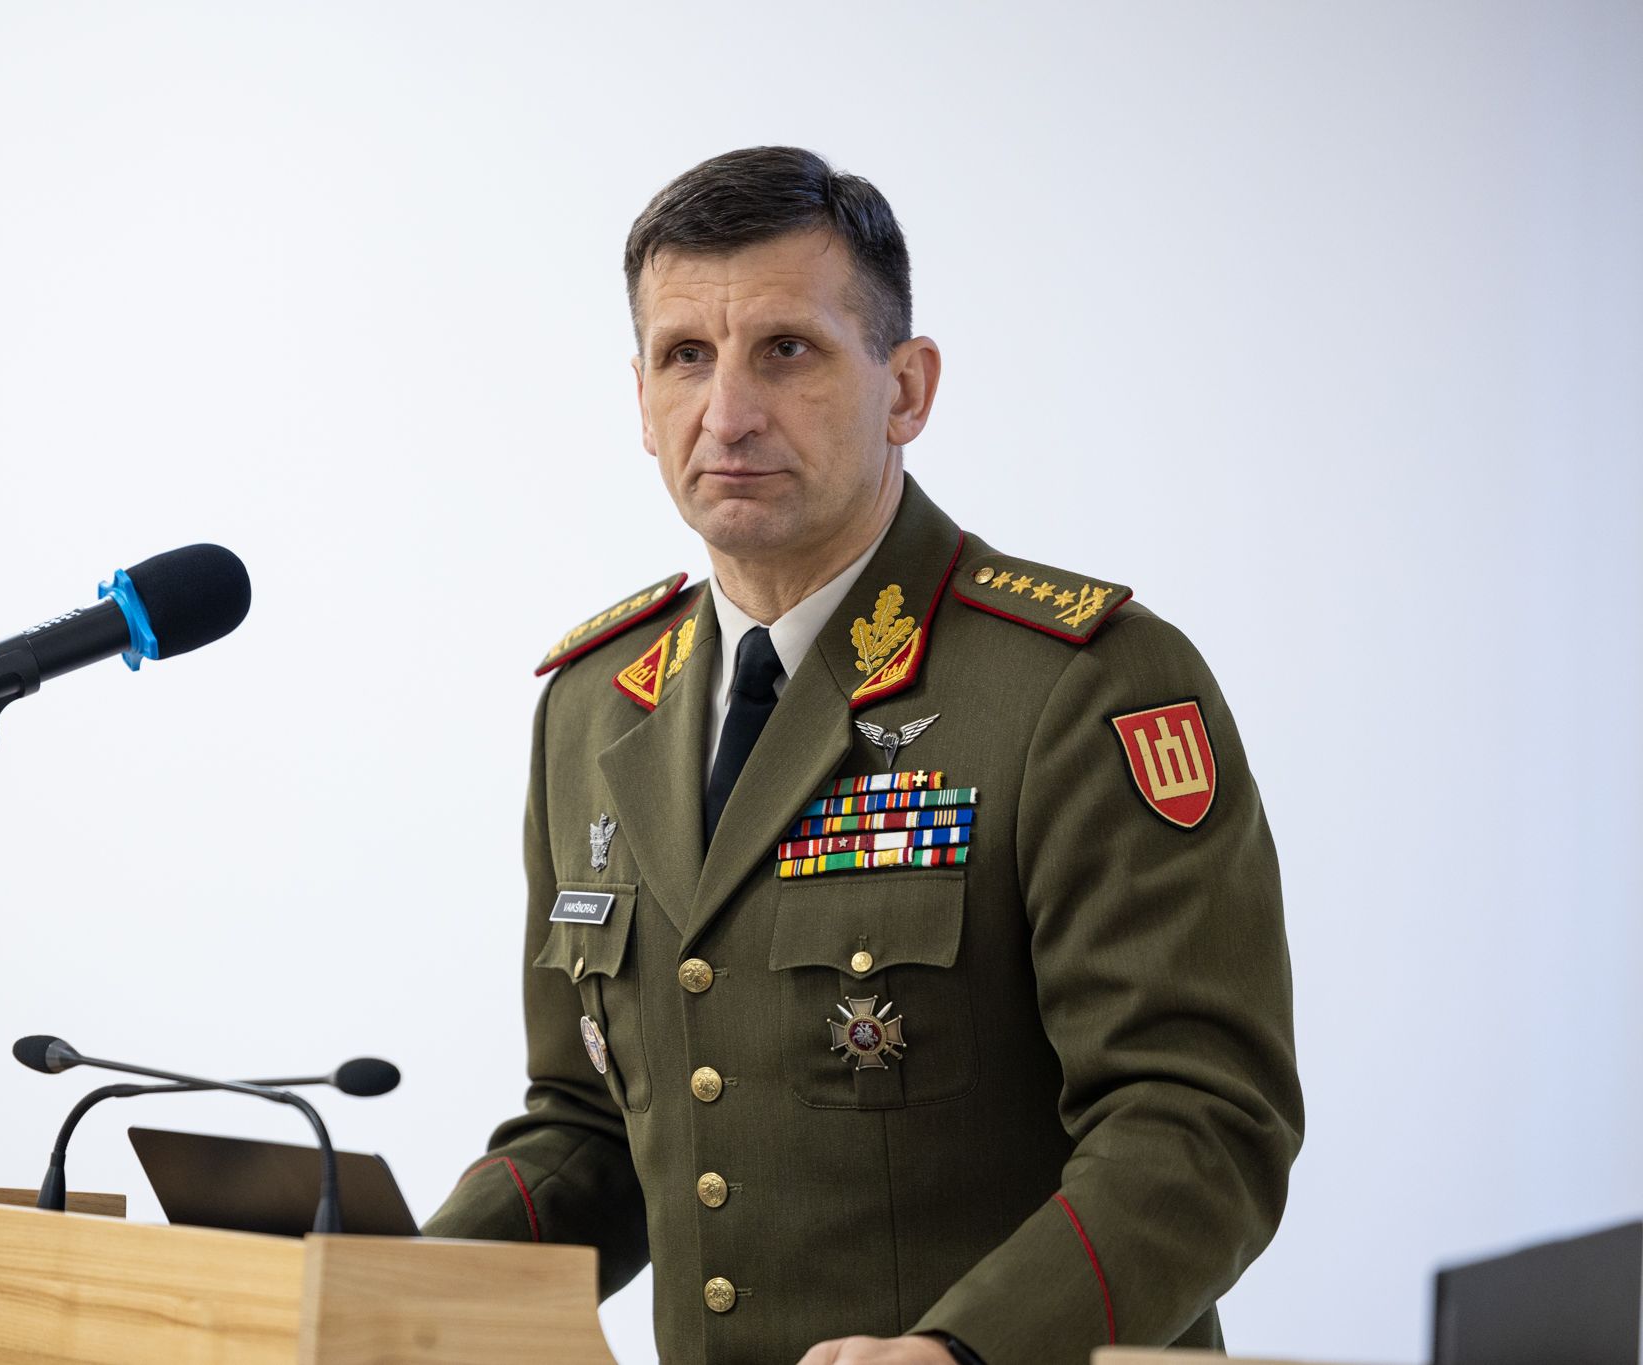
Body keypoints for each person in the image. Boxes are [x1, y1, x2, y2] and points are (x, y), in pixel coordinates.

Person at [422, 145, 1303, 1365]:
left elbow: (1199, 1129)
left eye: (786, 350)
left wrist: (961, 1353)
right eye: (685, 356)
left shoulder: (1078, 685)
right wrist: (378, 1286)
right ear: (639, 397)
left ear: (905, 389)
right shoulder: (593, 706)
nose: (726, 413)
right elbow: (592, 1131)